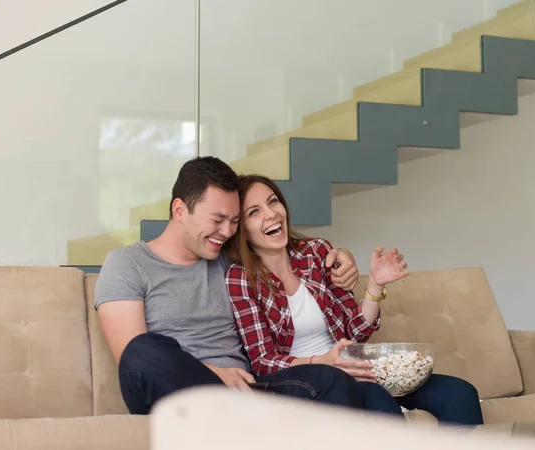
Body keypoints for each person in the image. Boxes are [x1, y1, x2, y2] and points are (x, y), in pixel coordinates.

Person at [94, 156, 368, 415]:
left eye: (234, 221)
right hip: (178, 392)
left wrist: (339, 256)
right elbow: (132, 357)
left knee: (329, 380)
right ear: (180, 209)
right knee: (145, 351)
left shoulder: (229, 262)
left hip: (247, 390)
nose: (226, 232)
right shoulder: (127, 264)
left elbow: (288, 252)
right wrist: (215, 375)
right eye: (217, 220)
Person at [224, 174, 484, 426]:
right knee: (376, 399)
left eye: (273, 201)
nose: (271, 214)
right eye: (253, 212)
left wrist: (375, 283)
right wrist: (323, 361)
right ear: (242, 230)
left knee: (461, 394)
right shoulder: (240, 278)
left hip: (354, 368)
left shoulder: (316, 253)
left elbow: (354, 332)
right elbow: (262, 360)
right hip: (308, 381)